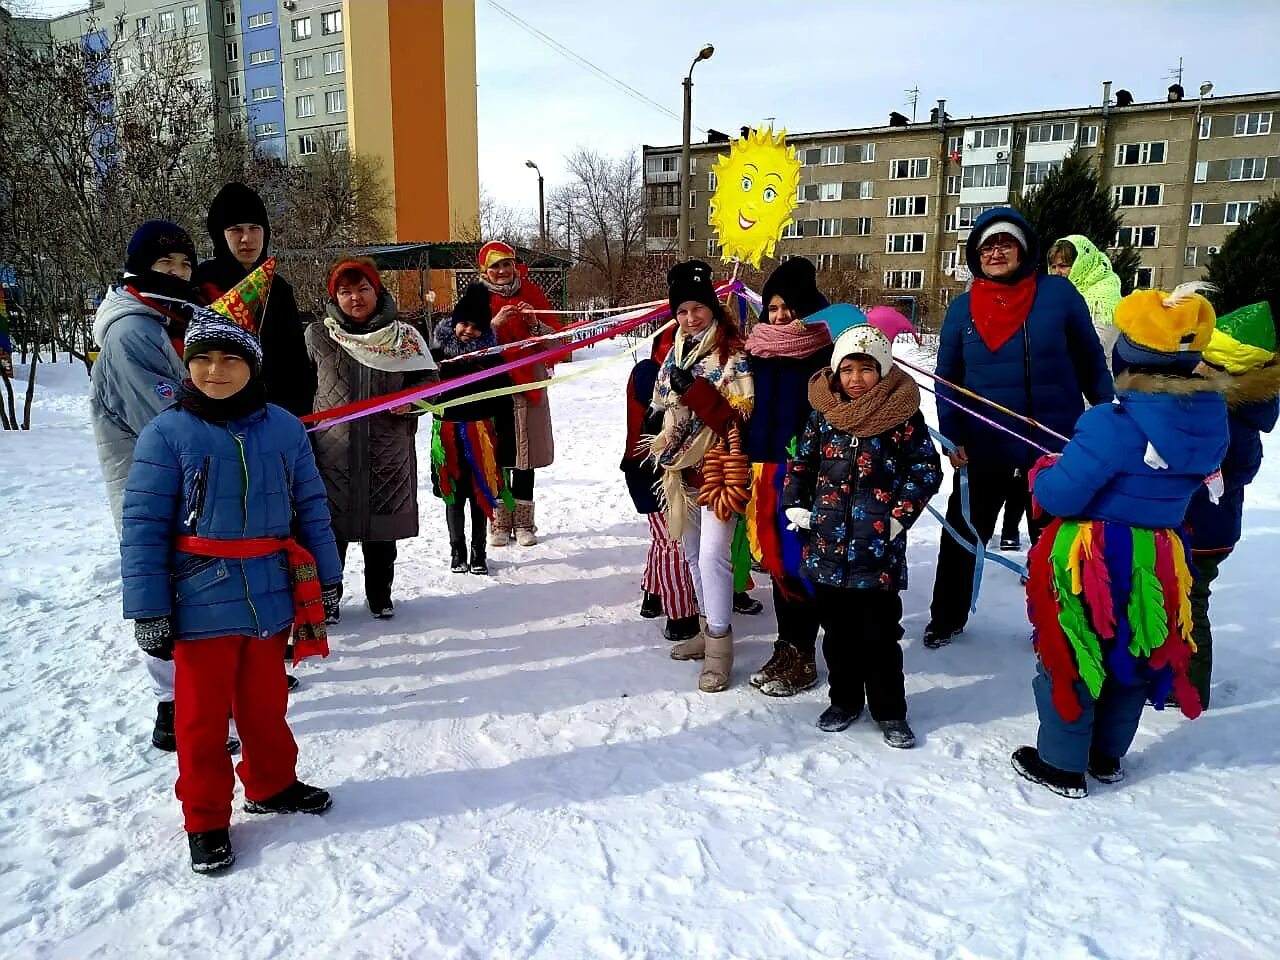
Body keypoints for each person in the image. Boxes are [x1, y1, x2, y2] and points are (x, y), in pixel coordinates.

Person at [120, 304, 342, 872]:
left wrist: (328, 576)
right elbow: (143, 526)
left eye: (230, 359)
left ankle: (270, 784)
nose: (215, 371)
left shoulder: (286, 428)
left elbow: (312, 505)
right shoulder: (166, 433)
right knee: (201, 721)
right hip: (198, 599)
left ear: (254, 366)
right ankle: (206, 817)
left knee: (266, 705)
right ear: (187, 365)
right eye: (203, 359)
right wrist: (149, 610)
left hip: (268, 591)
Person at [1013, 284, 1228, 797]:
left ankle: (1063, 764)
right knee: (1134, 655)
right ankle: (1106, 757)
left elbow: (1062, 496)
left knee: (1074, 652)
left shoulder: (1112, 423)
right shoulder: (1210, 419)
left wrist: (1044, 471)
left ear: (1126, 356)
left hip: (1097, 559)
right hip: (1158, 559)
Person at [925, 208, 1113, 649]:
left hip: (1052, 446)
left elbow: (1090, 361)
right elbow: (946, 377)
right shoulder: (962, 308)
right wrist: (953, 434)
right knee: (963, 532)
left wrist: (1106, 417)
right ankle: (946, 617)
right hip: (983, 445)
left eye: (1004, 244)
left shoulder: (1059, 295)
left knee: (1056, 539)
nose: (995, 253)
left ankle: (1062, 621)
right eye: (986, 246)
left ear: (1023, 248)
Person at [782, 307, 942, 746]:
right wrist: (795, 504)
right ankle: (844, 700)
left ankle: (890, 710)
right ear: (835, 373)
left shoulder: (902, 418)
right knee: (837, 636)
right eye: (847, 369)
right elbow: (801, 463)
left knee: (879, 636)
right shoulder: (823, 415)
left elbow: (925, 470)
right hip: (827, 548)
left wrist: (898, 517)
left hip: (877, 551)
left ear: (883, 371)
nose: (855, 378)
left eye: (866, 369)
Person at [89, 220, 201, 752]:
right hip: (149, 483)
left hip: (178, 476)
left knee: (189, 584)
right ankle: (173, 711)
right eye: (166, 266)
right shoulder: (132, 331)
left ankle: (194, 700)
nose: (178, 274)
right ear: (140, 269)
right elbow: (166, 414)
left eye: (185, 264)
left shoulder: (169, 317)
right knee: (162, 589)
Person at [306, 257, 439, 619]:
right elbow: (303, 389)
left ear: (376, 291)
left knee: (382, 532)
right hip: (333, 453)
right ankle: (328, 599)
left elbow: (430, 381)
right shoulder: (319, 335)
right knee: (331, 531)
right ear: (335, 296)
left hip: (387, 449)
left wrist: (413, 401)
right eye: (345, 291)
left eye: (362, 289)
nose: (355, 298)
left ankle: (379, 594)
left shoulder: (405, 336)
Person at [649, 260, 754, 692]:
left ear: (713, 307)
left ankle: (720, 650)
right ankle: (706, 627)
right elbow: (660, 402)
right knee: (691, 555)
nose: (690, 318)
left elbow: (739, 416)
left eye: (697, 308)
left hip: (718, 469)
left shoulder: (733, 354)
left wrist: (692, 390)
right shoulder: (675, 351)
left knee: (714, 557)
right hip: (682, 471)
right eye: (682, 311)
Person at [741, 257, 833, 697]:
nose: (780, 316)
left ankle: (804, 652)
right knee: (776, 562)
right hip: (762, 470)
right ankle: (786, 644)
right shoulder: (754, 352)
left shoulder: (824, 355)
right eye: (773, 307)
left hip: (804, 475)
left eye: (790, 308)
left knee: (799, 564)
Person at [1183, 301, 1280, 707]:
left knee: (1192, 605)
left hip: (1205, 530)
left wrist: (1205, 473)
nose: (1200, 369)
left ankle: (1190, 689)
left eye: (1211, 366)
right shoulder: (1229, 408)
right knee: (1183, 601)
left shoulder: (1231, 418)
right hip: (1208, 527)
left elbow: (1242, 467)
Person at [194, 182, 315, 417]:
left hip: (275, 415)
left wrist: (299, 421)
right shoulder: (202, 283)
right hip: (217, 415)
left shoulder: (278, 288)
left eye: (254, 228)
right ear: (220, 234)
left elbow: (295, 364)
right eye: (236, 229)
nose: (246, 238)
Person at [477, 241, 563, 547]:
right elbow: (465, 344)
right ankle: (500, 520)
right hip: (494, 384)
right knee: (499, 452)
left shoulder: (532, 294)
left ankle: (525, 522)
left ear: (515, 266)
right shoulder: (477, 299)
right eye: (495, 266)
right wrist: (492, 326)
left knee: (526, 453)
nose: (501, 271)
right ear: (484, 270)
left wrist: (534, 324)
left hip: (529, 386)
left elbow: (558, 342)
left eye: (506, 264)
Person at [429, 283, 517, 576]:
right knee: (453, 496)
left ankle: (479, 551)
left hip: (483, 439)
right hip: (448, 438)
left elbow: (506, 405)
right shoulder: (436, 357)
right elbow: (420, 392)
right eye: (463, 323)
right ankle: (457, 550)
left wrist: (507, 447)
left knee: (480, 496)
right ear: (454, 323)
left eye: (476, 327)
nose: (468, 330)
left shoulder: (493, 359)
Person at [621, 323, 701, 643]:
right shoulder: (648, 372)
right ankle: (681, 614)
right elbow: (660, 413)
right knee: (674, 541)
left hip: (665, 468)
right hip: (652, 471)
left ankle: (653, 594)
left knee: (663, 539)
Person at [1047, 235, 1123, 372]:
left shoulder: (1105, 297)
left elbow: (1098, 346)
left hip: (1091, 384)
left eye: (1063, 266)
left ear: (1081, 264)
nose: (1056, 272)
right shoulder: (1055, 294)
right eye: (1053, 266)